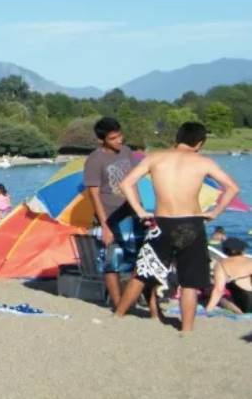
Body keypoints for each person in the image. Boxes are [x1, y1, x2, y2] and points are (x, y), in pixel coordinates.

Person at [115, 122, 240, 333]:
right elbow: (232, 188)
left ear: (178, 137)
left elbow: (126, 183)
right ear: (199, 143)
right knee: (189, 281)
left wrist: (140, 210)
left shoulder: (155, 158)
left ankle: (118, 315)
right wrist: (215, 212)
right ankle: (187, 331)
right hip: (191, 223)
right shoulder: (203, 162)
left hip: (162, 223)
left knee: (142, 272)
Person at [83, 117, 146, 308]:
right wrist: (104, 226)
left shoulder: (126, 152)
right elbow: (94, 195)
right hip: (110, 215)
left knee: (139, 258)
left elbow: (132, 182)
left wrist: (139, 210)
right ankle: (118, 303)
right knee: (112, 261)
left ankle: (130, 299)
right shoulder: (95, 160)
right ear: (101, 140)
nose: (119, 140)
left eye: (120, 135)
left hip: (131, 213)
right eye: (113, 138)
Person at [206, 238, 252, 314]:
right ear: (242, 250)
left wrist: (208, 310)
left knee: (217, 295)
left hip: (244, 307)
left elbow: (218, 290)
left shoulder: (221, 264)